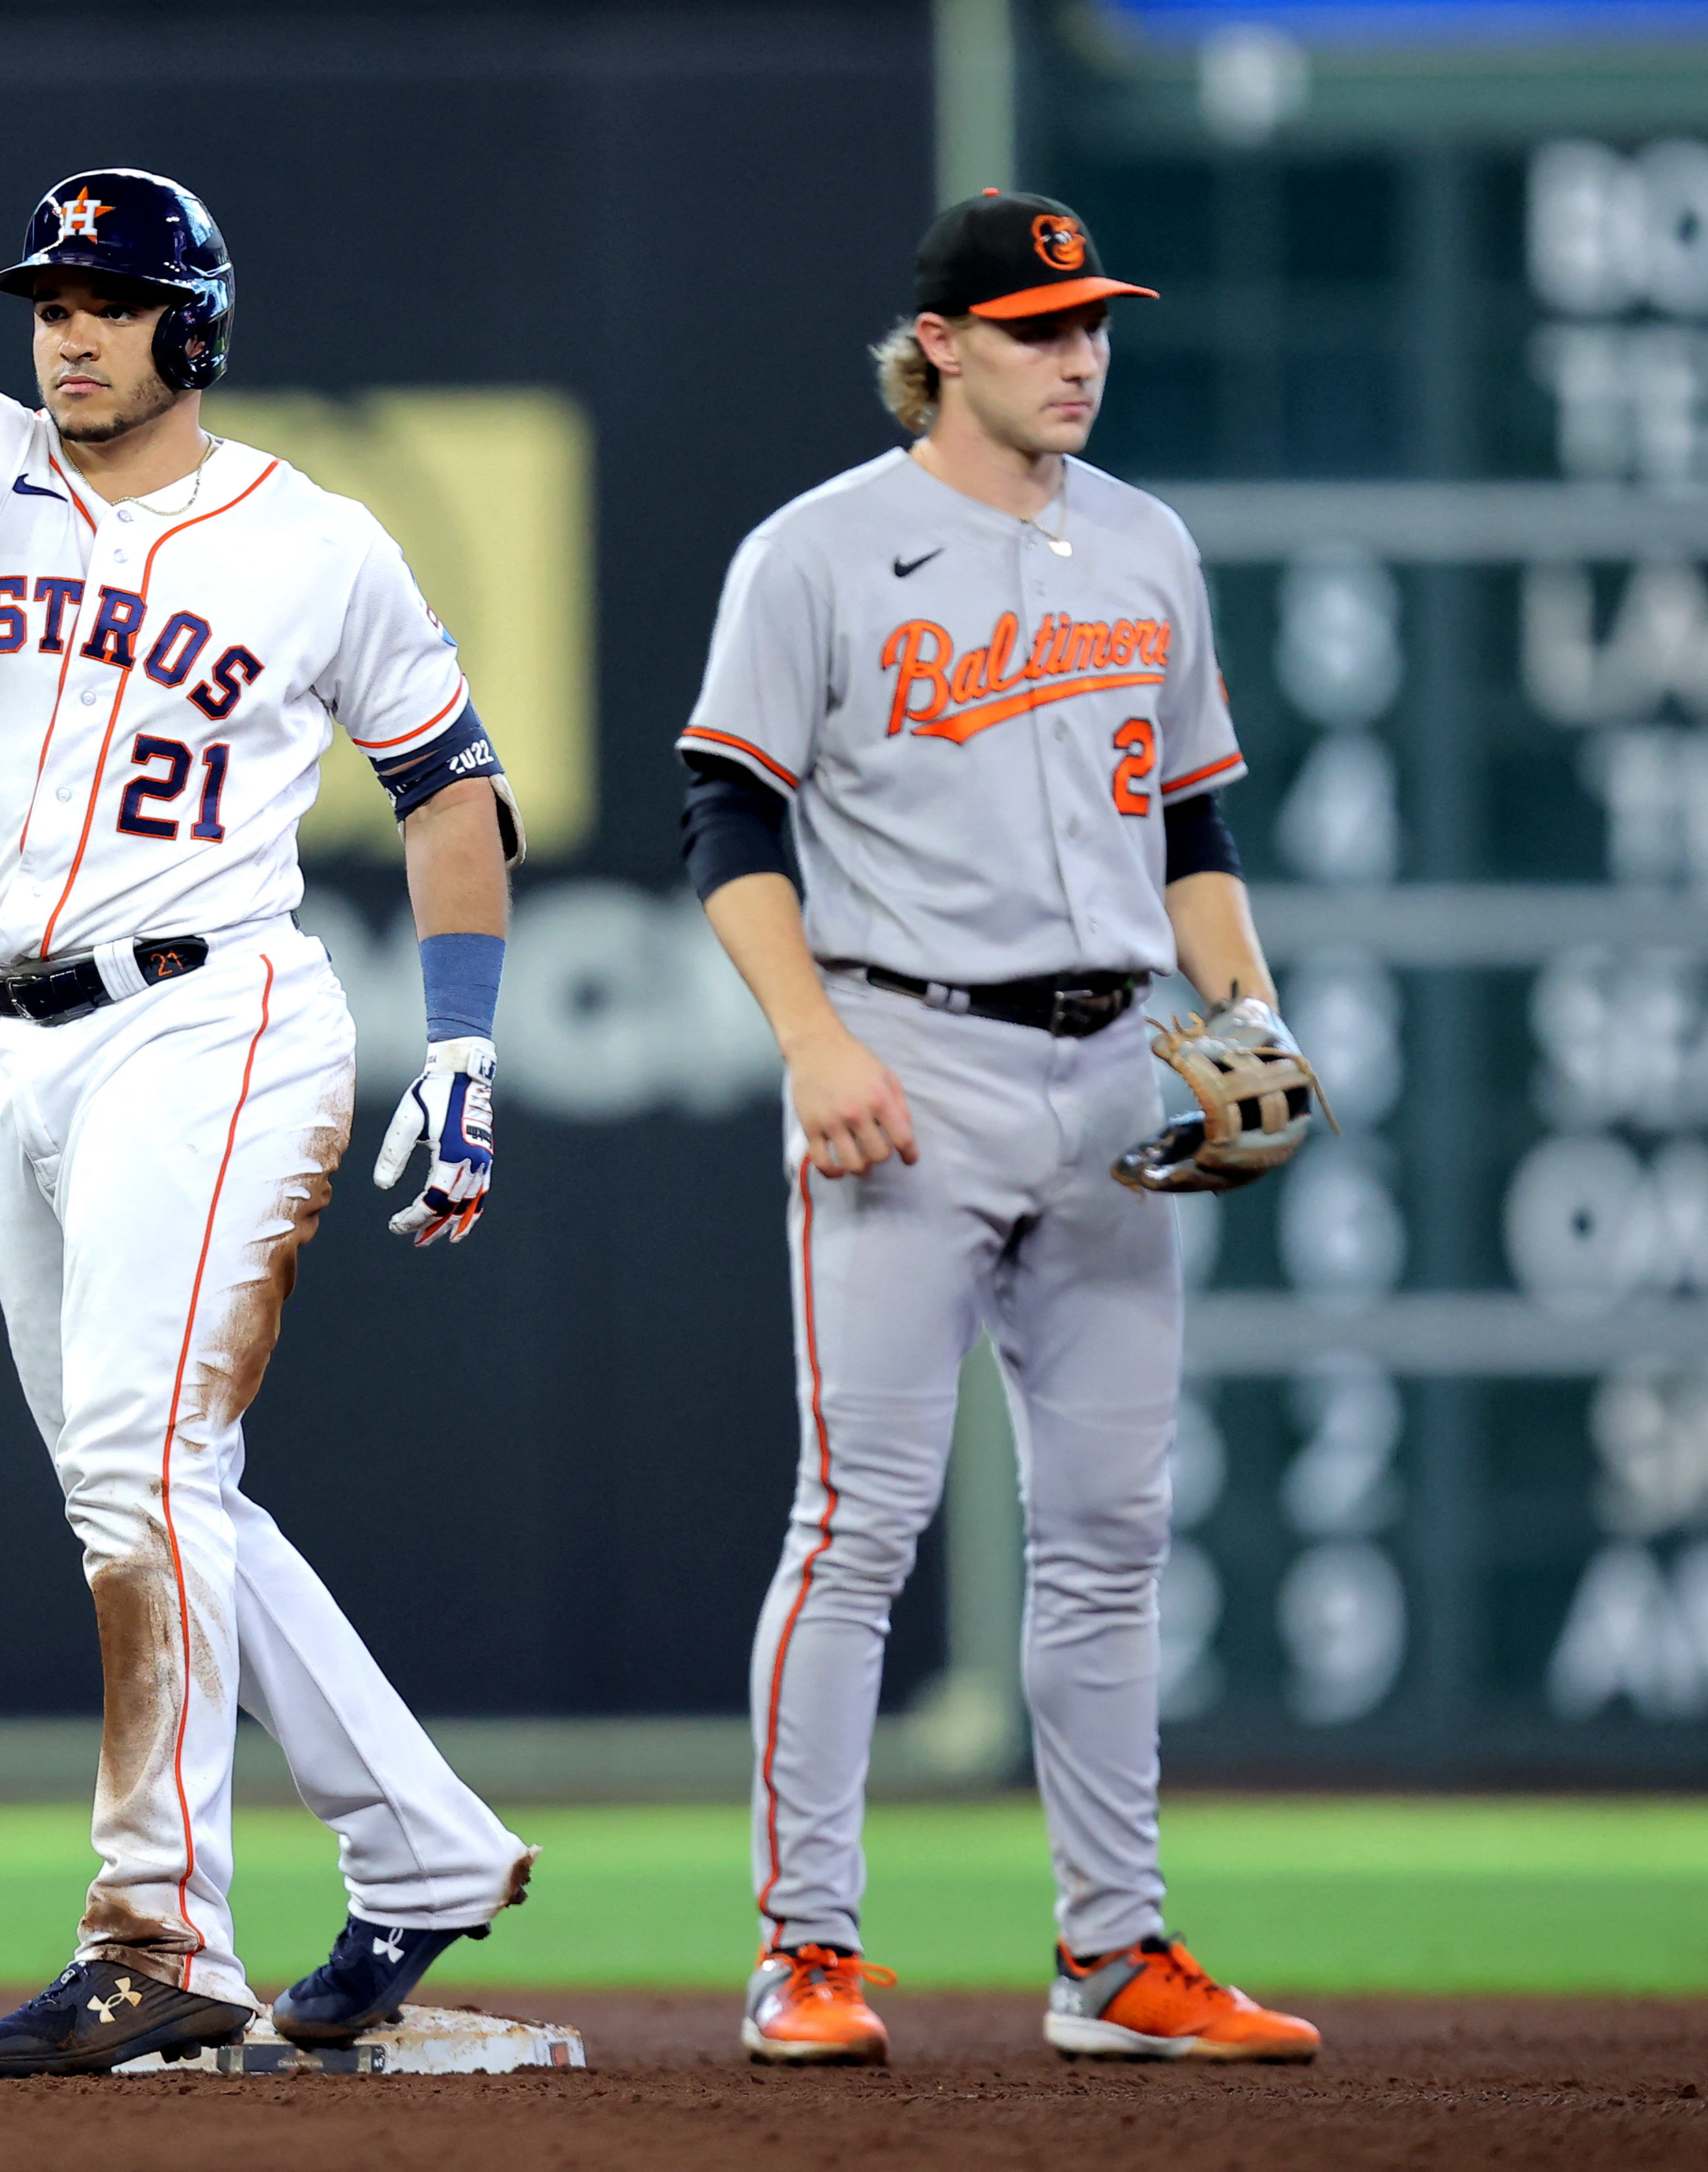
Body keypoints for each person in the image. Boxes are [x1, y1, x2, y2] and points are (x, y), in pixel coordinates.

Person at [0, 135, 535, 2079]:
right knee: (160, 1485)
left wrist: (468, 1052)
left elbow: (451, 790)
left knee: (137, 1465)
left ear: (198, 326)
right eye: (52, 305)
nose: (70, 335)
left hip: (219, 1021)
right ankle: (422, 1849)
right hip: (28, 1045)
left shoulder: (317, 540)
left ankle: (160, 1931)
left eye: (107, 306)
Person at [677, 189, 1325, 2067]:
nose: (1081, 356)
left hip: (1118, 1065)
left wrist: (1248, 1010)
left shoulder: (1147, 547)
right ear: (943, 345)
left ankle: (1114, 1959)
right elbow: (728, 823)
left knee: (1113, 1537)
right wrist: (809, 1040)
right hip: (908, 1058)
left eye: (1094, 324)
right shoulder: (820, 553)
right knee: (859, 1530)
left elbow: (1193, 830)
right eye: (1042, 327)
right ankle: (806, 1951)